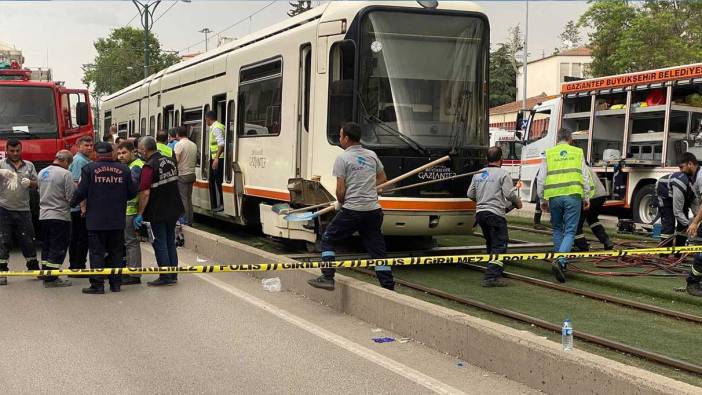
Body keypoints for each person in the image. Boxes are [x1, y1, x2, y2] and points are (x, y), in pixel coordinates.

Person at [307, 122, 395, 291]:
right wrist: (367, 186)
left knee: (328, 238)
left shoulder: (343, 158)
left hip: (353, 210)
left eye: (340, 136)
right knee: (377, 250)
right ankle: (388, 287)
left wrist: (340, 203)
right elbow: (383, 178)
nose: (340, 139)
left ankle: (327, 277)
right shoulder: (371, 155)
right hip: (373, 211)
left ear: (346, 138)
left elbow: (340, 190)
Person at [71, 142, 137, 294]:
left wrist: (72, 203)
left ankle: (97, 285)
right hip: (117, 219)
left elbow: (81, 192)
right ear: (111, 153)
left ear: (95, 153)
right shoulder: (124, 169)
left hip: (96, 220)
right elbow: (133, 193)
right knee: (116, 253)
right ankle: (116, 284)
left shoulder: (89, 169)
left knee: (96, 253)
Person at [537, 128, 590, 283]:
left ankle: (560, 262)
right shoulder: (578, 152)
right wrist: (586, 196)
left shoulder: (549, 153)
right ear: (570, 139)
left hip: (554, 197)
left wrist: (542, 200)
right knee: (570, 230)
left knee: (557, 228)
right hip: (573, 195)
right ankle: (560, 261)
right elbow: (585, 176)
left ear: (557, 139)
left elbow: (541, 179)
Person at [467, 146, 523, 287]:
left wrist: (482, 200)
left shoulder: (478, 174)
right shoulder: (503, 174)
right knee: (499, 244)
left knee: (491, 242)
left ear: (487, 158)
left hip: (481, 214)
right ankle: (491, 277)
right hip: (495, 215)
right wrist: (517, 202)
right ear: (501, 160)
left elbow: (470, 194)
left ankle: (494, 268)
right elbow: (509, 194)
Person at [135, 136, 184, 286]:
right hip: (174, 208)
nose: (139, 152)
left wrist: (139, 214)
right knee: (170, 241)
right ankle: (173, 274)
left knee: (159, 242)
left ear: (144, 150)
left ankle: (165, 276)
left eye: (140, 149)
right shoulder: (169, 160)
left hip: (158, 210)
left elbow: (145, 192)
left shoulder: (149, 166)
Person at [0, 139, 39, 285]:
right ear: (7, 150)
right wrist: (1, 172)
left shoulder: (29, 165)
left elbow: (37, 184)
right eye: (12, 151)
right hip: (4, 208)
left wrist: (31, 183)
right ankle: (1, 271)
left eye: (17, 151)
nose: (15, 153)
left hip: (23, 209)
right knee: (3, 241)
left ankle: (33, 268)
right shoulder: (2, 164)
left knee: (28, 240)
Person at [37, 150, 75, 288]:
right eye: (69, 164)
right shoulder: (66, 174)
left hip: (43, 215)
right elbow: (70, 197)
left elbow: (39, 192)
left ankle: (45, 272)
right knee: (57, 246)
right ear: (66, 161)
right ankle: (52, 278)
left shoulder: (42, 172)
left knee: (46, 245)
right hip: (60, 216)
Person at [116, 140, 144, 285]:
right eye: (119, 153)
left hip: (130, 210)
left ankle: (134, 274)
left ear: (133, 152)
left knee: (131, 242)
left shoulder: (135, 167)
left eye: (124, 153)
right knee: (128, 242)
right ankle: (130, 270)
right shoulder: (128, 166)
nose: (120, 156)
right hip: (126, 210)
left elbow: (131, 188)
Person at [656, 154, 697, 250]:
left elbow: (696, 209)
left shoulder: (696, 185)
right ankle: (664, 254)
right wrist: (690, 226)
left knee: (683, 225)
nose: (681, 170)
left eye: (682, 167)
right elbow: (677, 212)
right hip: (665, 195)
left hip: (680, 195)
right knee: (669, 225)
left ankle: (678, 254)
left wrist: (696, 222)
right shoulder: (680, 183)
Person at [573, 166, 614, 251]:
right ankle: (606, 241)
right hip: (601, 196)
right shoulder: (587, 168)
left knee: (576, 224)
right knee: (593, 220)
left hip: (590, 197)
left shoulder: (577, 169)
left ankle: (582, 246)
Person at [68, 135, 93, 272]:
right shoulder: (80, 161)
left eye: (91, 145)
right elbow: (78, 184)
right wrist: (83, 206)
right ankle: (77, 266)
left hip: (79, 206)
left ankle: (77, 265)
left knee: (80, 237)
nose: (89, 148)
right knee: (80, 238)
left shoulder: (85, 160)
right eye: (86, 145)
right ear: (78, 146)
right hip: (78, 207)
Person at [174, 126, 197, 226]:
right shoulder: (193, 144)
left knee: (183, 199)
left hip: (182, 174)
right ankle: (190, 221)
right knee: (188, 198)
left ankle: (185, 221)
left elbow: (177, 160)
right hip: (192, 174)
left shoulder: (179, 144)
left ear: (177, 134)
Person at [205, 111, 225, 212]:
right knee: (214, 180)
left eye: (206, 119)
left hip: (219, 158)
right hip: (217, 157)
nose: (205, 121)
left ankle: (222, 204)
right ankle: (218, 204)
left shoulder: (216, 127)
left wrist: (216, 158)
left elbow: (221, 144)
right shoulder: (217, 126)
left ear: (209, 118)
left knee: (218, 181)